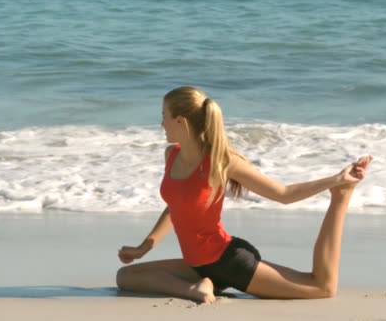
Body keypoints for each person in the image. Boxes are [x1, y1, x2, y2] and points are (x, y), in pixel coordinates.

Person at [116, 86, 372, 303]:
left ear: (181, 121)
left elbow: (283, 194)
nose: (161, 124)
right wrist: (143, 247)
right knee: (125, 277)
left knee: (322, 288)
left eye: (164, 116)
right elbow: (176, 205)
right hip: (197, 266)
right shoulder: (171, 156)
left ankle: (342, 196)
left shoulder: (222, 161)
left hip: (228, 262)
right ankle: (195, 289)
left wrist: (336, 180)